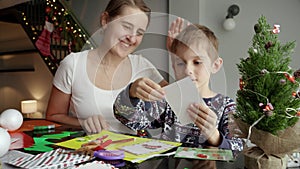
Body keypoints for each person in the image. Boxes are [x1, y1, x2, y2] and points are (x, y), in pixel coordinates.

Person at [113, 22, 243, 153]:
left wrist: (214, 135)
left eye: (197, 62)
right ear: (173, 67)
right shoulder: (167, 101)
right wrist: (131, 93)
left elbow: (239, 148)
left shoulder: (227, 107)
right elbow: (130, 120)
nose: (188, 70)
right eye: (180, 63)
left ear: (215, 65)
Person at [46, 0, 168, 134]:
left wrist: (177, 56)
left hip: (132, 152)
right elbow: (53, 116)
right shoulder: (73, 64)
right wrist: (82, 123)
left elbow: (179, 105)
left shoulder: (143, 66)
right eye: (127, 26)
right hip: (88, 151)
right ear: (105, 20)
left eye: (139, 33)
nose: (132, 39)